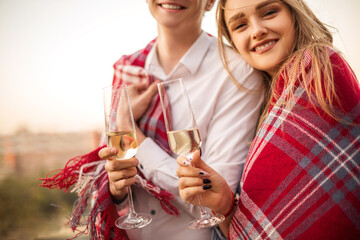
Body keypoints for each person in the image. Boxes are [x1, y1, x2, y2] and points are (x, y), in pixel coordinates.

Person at [40, 0, 264, 239]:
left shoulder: (236, 72)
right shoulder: (128, 68)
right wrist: (118, 188)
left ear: (209, 2)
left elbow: (214, 202)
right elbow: (117, 182)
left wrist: (132, 131)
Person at [176, 0, 360, 239]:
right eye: (240, 25)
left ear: (294, 13)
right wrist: (225, 204)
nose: (257, 30)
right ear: (233, 43)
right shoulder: (262, 108)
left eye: (270, 12)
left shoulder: (320, 68)